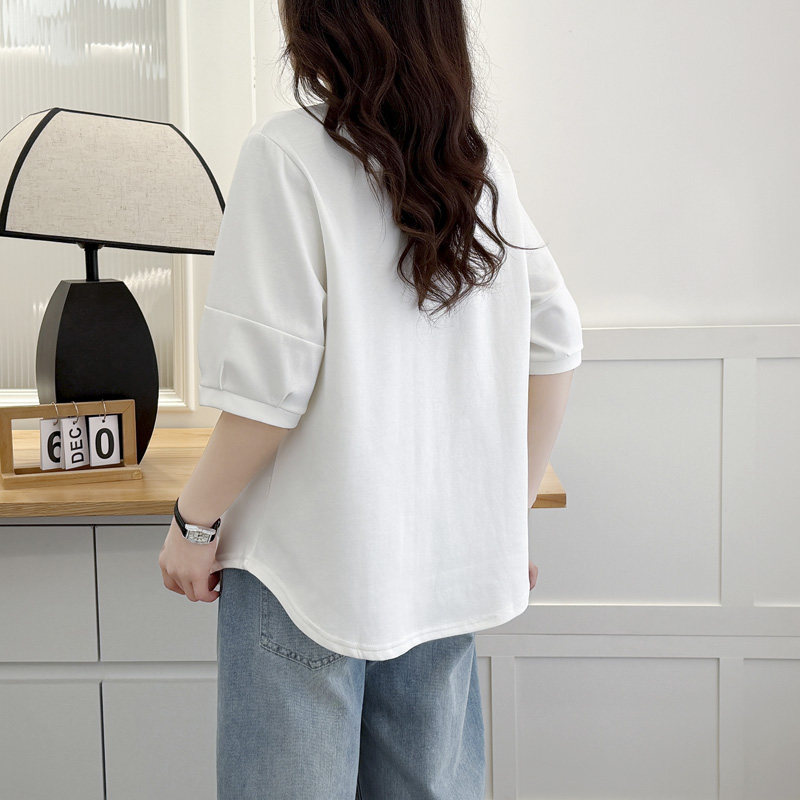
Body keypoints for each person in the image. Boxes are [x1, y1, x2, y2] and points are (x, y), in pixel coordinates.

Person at [158, 0, 583, 797]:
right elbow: (556, 339)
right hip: (442, 569)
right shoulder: (476, 166)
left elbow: (267, 388)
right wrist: (505, 514)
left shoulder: (286, 154)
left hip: (304, 570)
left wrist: (194, 522)